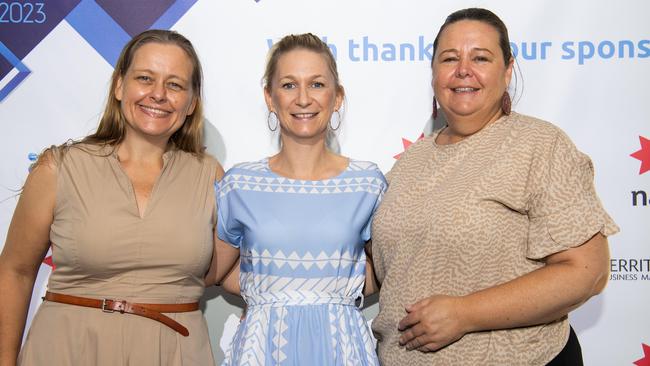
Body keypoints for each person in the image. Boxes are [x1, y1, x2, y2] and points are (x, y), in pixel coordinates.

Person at [370, 8, 619, 366]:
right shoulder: (409, 162)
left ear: (507, 71)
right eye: (449, 58)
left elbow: (586, 272)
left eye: (481, 58)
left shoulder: (540, 145)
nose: (463, 70)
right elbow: (383, 272)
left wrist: (465, 313)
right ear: (434, 73)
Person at [0, 30, 233, 366]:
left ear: (191, 102)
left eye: (175, 85)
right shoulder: (60, 167)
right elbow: (15, 271)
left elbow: (219, 271)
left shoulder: (209, 177)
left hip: (174, 354)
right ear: (119, 86)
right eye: (145, 78)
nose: (158, 94)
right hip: (67, 350)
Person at [210, 33, 385, 365]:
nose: (303, 98)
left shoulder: (368, 184)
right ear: (270, 97)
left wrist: (330, 294)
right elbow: (217, 270)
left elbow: (386, 270)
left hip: (342, 347)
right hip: (263, 349)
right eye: (289, 85)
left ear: (337, 97)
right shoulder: (240, 184)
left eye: (317, 84)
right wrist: (268, 295)